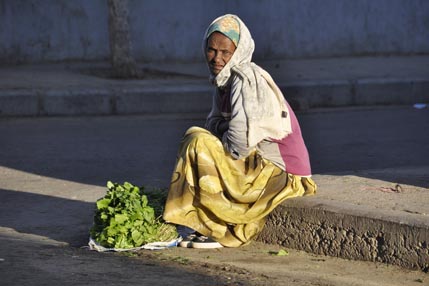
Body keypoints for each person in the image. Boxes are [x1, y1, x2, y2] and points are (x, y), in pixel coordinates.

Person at [163, 14, 316, 249]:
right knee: (198, 138)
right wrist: (225, 128)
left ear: (239, 51)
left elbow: (238, 145)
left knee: (197, 142)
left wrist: (222, 130)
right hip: (256, 165)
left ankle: (217, 225)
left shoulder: (246, 80)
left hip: (281, 174)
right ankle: (205, 221)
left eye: (226, 52)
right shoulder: (223, 82)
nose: (217, 58)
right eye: (212, 50)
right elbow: (214, 126)